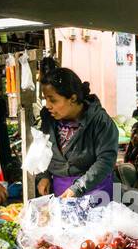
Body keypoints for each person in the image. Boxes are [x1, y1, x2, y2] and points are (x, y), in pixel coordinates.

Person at [35, 66, 119, 200]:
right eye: (46, 99)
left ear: (72, 98)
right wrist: (44, 176)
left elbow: (105, 161)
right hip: (62, 192)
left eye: (53, 100)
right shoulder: (49, 120)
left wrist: (78, 188)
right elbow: (42, 150)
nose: (48, 105)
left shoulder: (100, 122)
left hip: (96, 189)